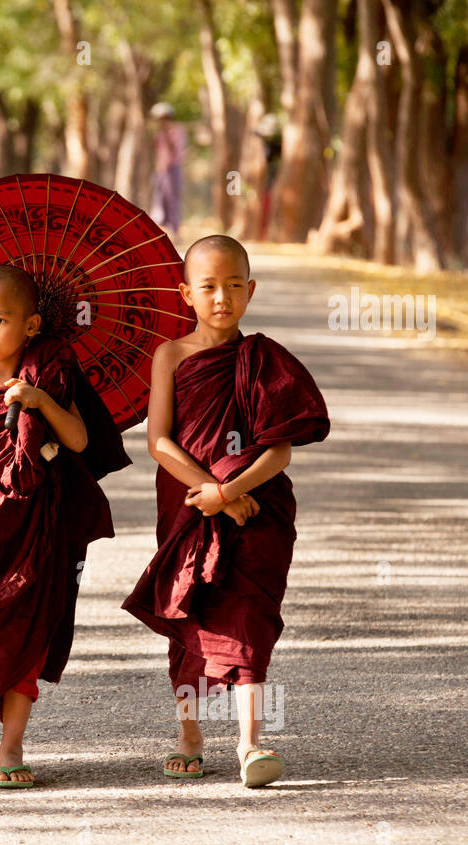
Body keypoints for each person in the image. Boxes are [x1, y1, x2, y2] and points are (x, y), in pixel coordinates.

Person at [122, 235, 328, 788]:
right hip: (190, 503)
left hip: (259, 508)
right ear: (186, 293)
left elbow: (280, 448)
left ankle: (250, 744)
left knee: (248, 617)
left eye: (234, 286)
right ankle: (190, 735)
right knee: (191, 608)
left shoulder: (265, 360)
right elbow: (159, 442)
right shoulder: (170, 355)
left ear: (251, 290)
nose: (222, 297)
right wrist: (216, 492)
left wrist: (235, 490)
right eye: (209, 287)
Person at [0, 264, 130, 788]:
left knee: (26, 632)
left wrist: (38, 401)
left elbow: (79, 441)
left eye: (1, 319)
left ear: (33, 324)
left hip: (33, 526)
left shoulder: (52, 369)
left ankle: (11, 745)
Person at [149, 102, 187, 238]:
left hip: (172, 170)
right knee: (159, 201)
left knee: (172, 201)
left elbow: (176, 151)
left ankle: (175, 231)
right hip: (160, 172)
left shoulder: (177, 131)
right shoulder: (159, 134)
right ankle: (160, 231)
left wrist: (167, 135)